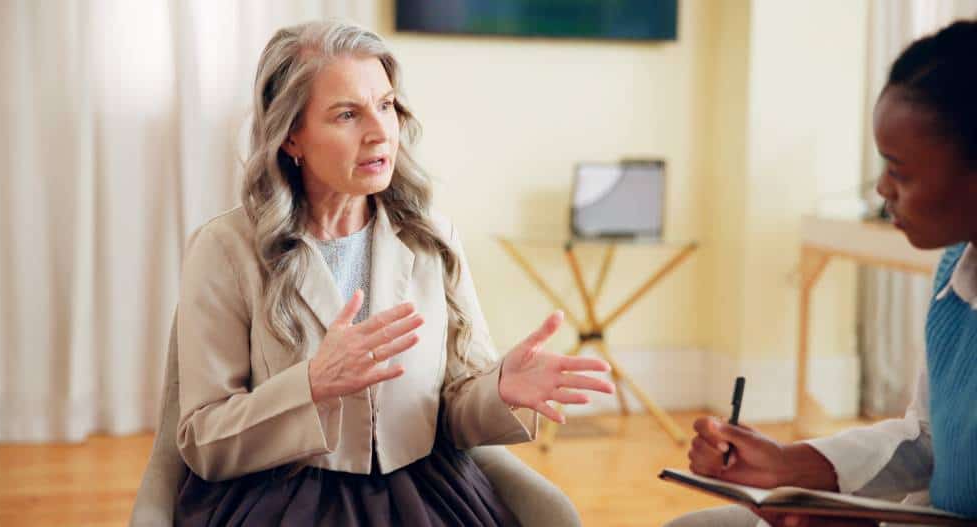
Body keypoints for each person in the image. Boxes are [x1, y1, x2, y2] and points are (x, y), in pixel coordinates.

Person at [171, 20, 615, 526]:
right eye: (347, 114)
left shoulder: (431, 239)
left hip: (424, 492)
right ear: (291, 136)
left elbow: (450, 412)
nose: (380, 130)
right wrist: (312, 384)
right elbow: (201, 441)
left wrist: (499, 391)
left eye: (385, 106)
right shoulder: (226, 250)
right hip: (283, 498)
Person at [667, 19, 977, 527]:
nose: (881, 189)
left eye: (899, 171)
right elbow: (930, 439)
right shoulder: (955, 273)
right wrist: (789, 464)